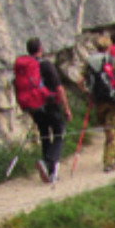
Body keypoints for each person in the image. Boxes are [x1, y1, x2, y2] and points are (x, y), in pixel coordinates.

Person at [23, 37, 72, 183]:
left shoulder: (25, 68)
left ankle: (48, 169)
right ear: (40, 49)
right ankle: (49, 163)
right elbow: (59, 89)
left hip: (35, 107)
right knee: (59, 133)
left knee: (44, 134)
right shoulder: (46, 65)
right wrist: (66, 108)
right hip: (50, 104)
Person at [80, 36, 115, 172]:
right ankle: (109, 163)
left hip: (98, 101)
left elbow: (79, 80)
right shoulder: (114, 61)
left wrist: (87, 93)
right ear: (109, 47)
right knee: (113, 130)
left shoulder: (89, 62)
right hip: (113, 99)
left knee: (109, 129)